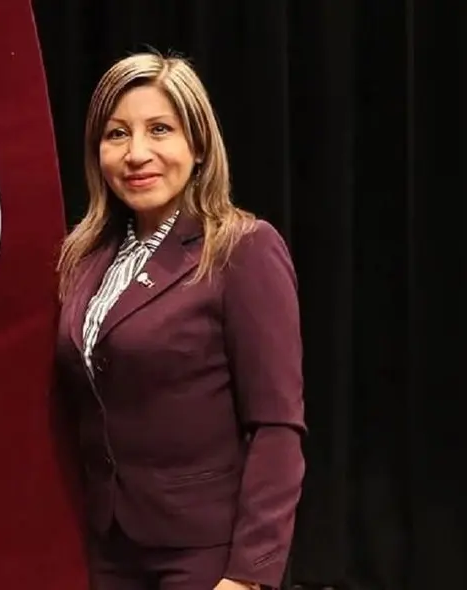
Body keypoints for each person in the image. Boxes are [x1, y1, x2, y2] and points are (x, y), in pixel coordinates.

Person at [54, 53, 306, 590]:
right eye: (117, 133)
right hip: (108, 547)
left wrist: (247, 576)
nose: (136, 153)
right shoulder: (84, 256)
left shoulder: (242, 248)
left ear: (197, 147)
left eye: (160, 130)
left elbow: (276, 425)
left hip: (204, 557)